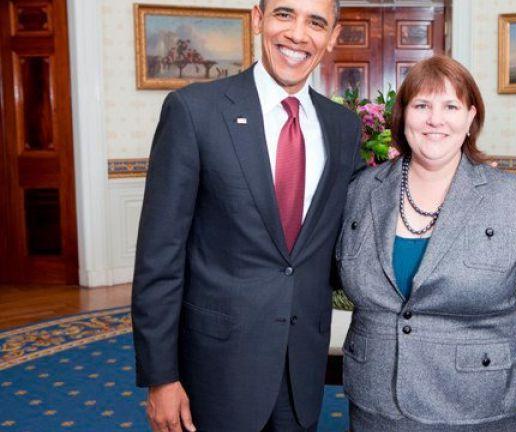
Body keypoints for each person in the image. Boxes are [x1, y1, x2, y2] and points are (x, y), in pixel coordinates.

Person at [336, 55, 516, 431]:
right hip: (378, 406)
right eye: (422, 105)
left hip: (482, 408)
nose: (435, 120)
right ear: (403, 115)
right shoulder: (360, 192)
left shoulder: (514, 200)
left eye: (450, 106)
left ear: (471, 116)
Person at [131, 1, 361, 431]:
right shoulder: (194, 111)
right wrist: (161, 377)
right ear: (258, 18)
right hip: (217, 369)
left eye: (315, 23)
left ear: (332, 36)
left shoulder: (343, 128)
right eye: (284, 14)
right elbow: (159, 257)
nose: (297, 34)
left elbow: (347, 237)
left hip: (301, 370)